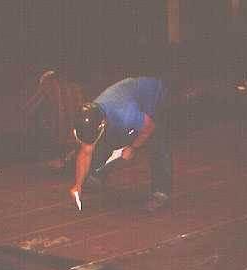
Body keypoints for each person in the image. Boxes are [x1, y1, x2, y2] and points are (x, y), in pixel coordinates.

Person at [69, 77, 172, 212]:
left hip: (155, 96)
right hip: (126, 100)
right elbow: (86, 151)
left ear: (102, 124)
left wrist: (133, 147)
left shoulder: (127, 115)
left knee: (157, 142)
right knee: (110, 138)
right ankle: (99, 175)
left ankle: (160, 192)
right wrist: (78, 184)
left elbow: (149, 128)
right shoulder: (91, 118)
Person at [24, 70, 83, 171]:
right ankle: (67, 159)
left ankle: (53, 160)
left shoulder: (48, 85)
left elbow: (29, 108)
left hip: (58, 137)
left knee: (37, 118)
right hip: (77, 136)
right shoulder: (75, 86)